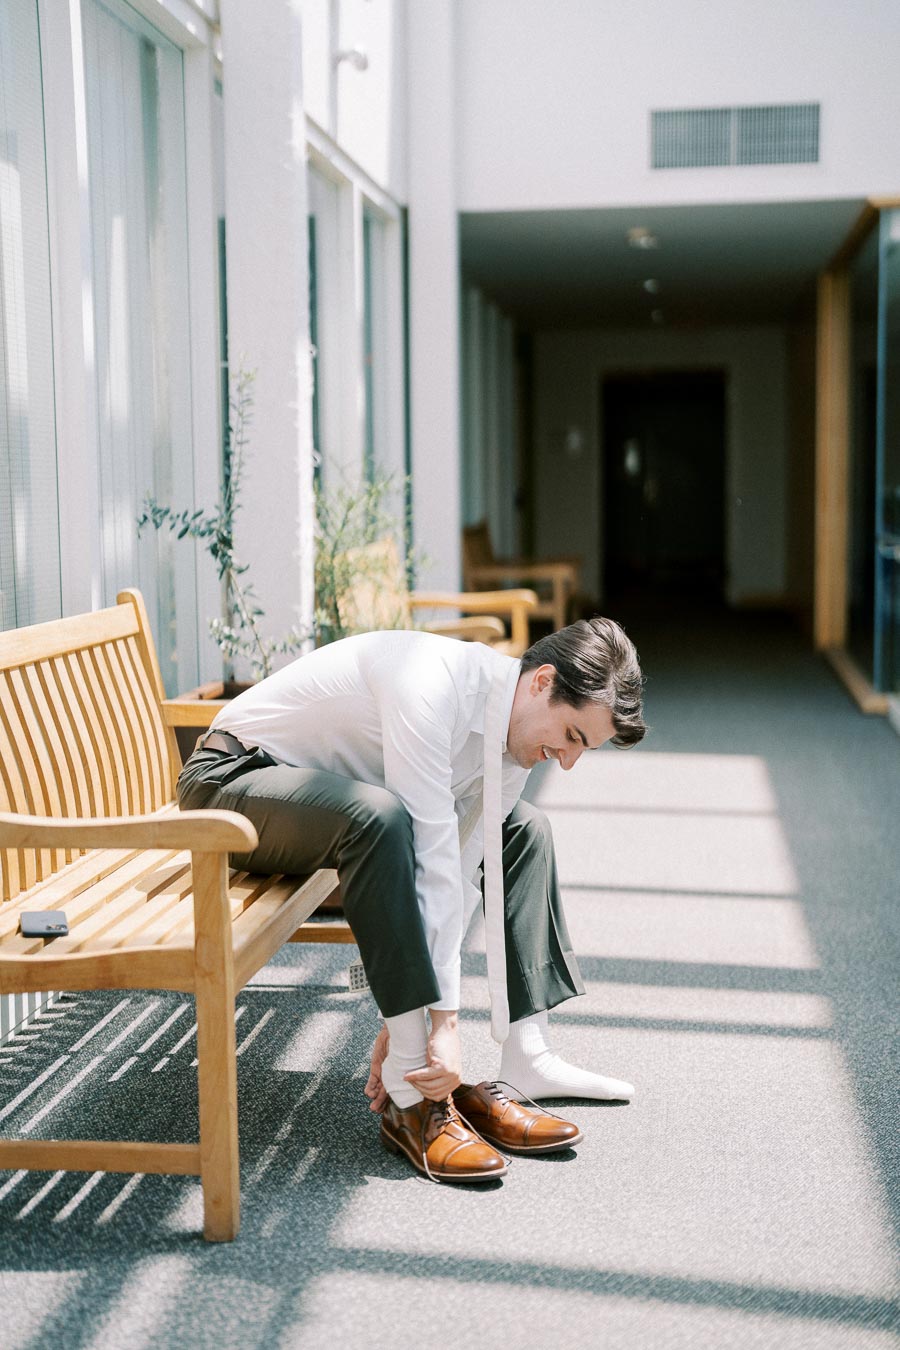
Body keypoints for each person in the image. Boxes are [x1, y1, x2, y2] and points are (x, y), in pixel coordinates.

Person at [177, 616, 646, 1183]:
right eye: (572, 736)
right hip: (232, 787)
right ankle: (409, 1091)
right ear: (542, 682)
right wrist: (435, 1027)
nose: (567, 760)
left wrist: (420, 1008)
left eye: (583, 750)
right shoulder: (430, 684)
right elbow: (432, 860)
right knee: (380, 820)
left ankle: (528, 1054)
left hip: (321, 810)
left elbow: (472, 864)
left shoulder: (511, 737)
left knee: (521, 831)